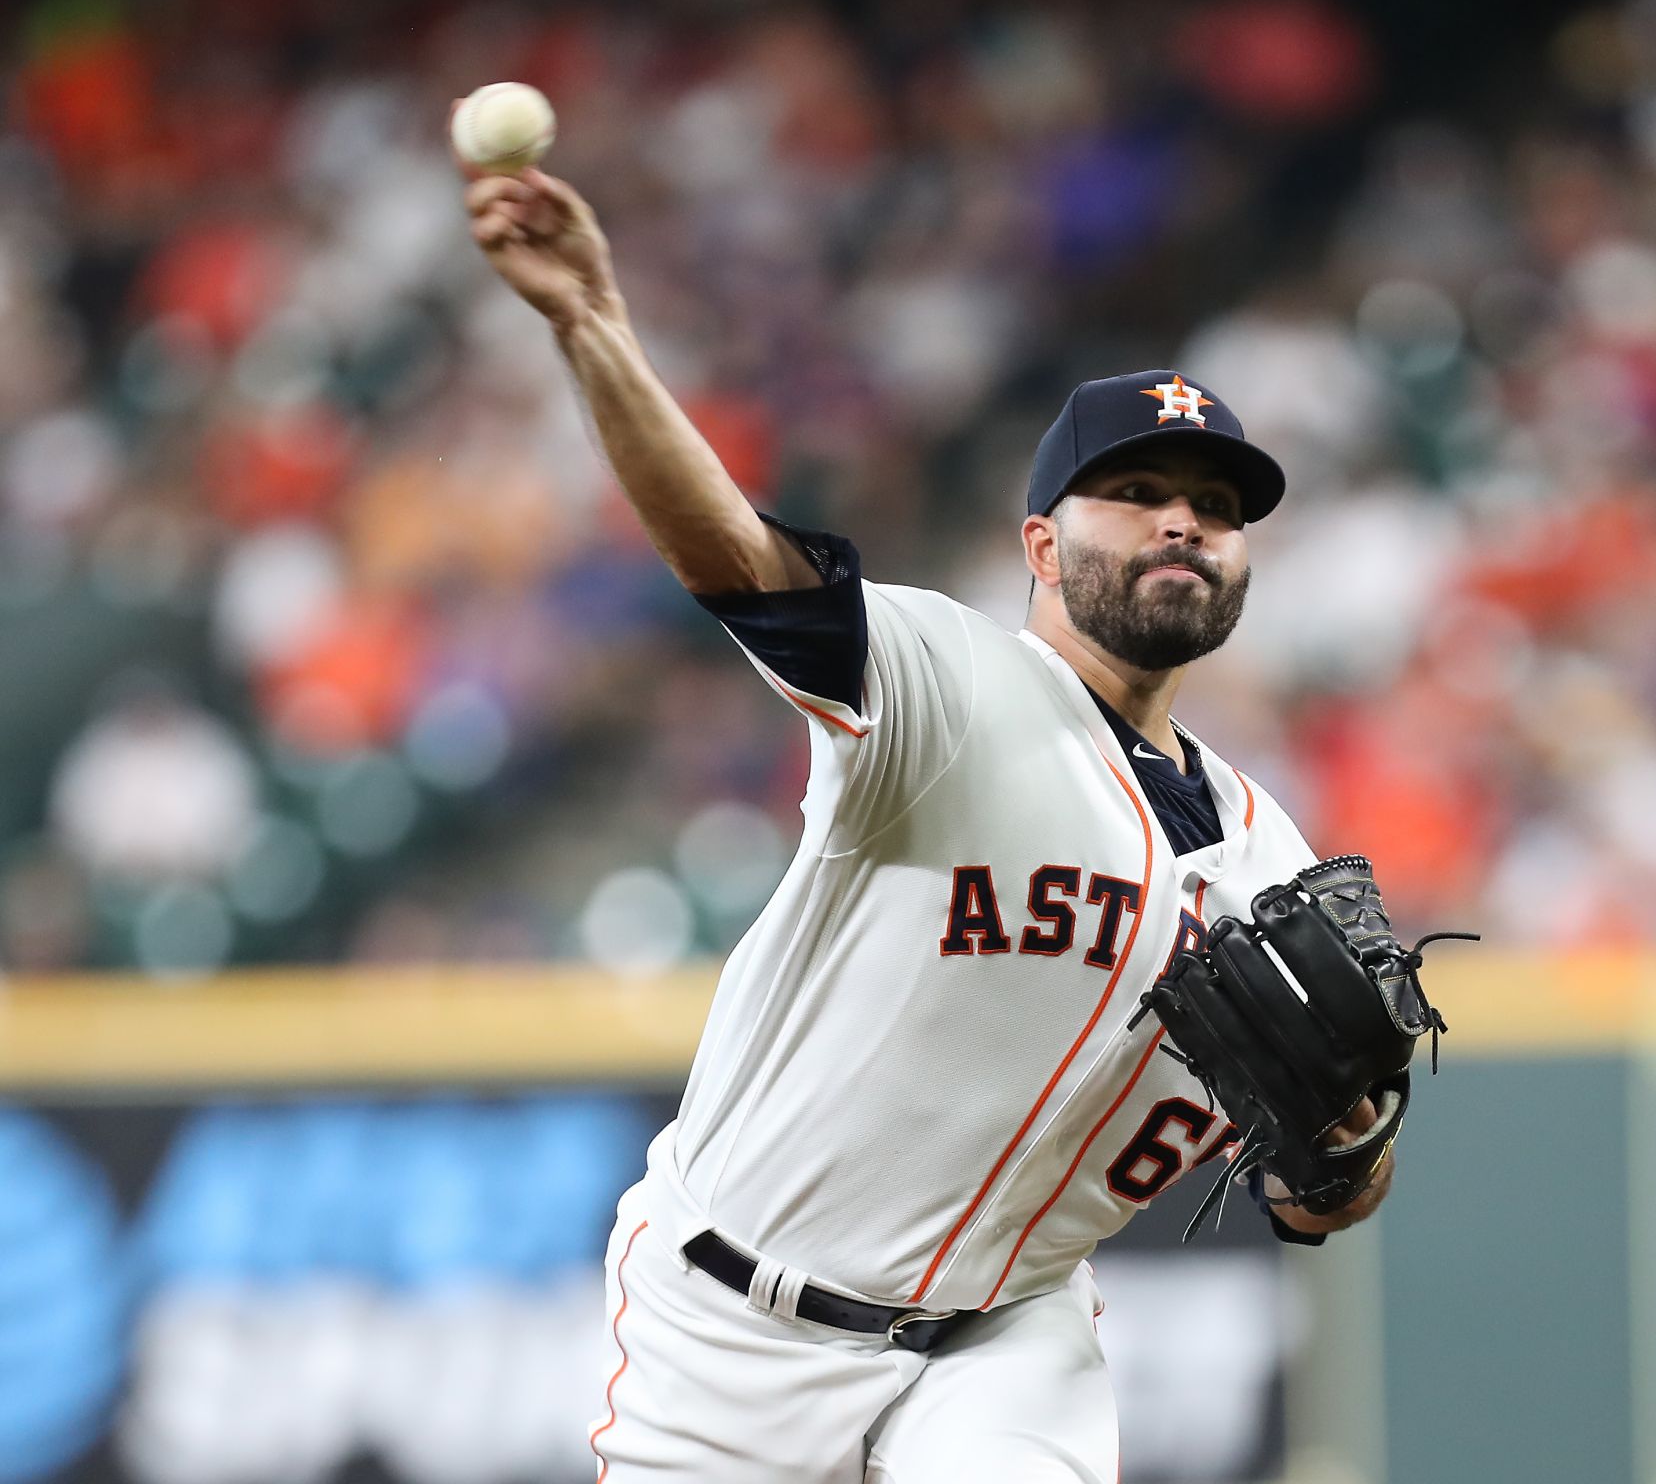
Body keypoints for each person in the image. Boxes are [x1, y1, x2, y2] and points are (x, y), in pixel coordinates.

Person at [461, 158, 1393, 1484]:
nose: (1184, 519)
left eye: (1220, 508)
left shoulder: (1273, 864)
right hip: (732, 1322)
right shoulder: (943, 683)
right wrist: (592, 329)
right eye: (1137, 492)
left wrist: (1345, 1143)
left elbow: (1325, 1199)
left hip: (1008, 1342)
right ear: (1038, 542)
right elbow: (728, 553)